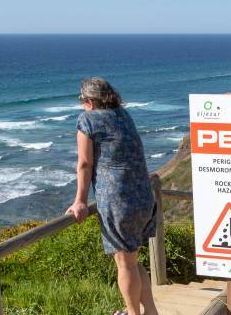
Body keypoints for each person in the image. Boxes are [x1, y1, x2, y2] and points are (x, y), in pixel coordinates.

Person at [66, 77, 158, 315]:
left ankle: (132, 313)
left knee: (124, 263)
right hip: (144, 197)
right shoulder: (123, 115)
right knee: (133, 260)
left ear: (90, 101)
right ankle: (150, 311)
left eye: (82, 100)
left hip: (119, 201)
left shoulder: (87, 119)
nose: (82, 105)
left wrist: (80, 201)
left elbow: (85, 163)